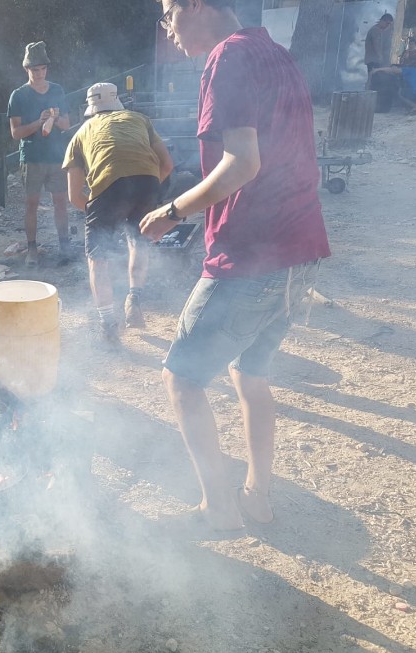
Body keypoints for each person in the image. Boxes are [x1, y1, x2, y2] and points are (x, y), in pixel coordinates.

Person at [141, 0, 331, 530]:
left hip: (252, 255)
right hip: (301, 251)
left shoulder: (227, 57)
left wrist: (173, 210)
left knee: (181, 377)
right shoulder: (274, 53)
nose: (168, 27)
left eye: (167, 12)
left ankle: (217, 509)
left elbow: (244, 161)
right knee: (251, 372)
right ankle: (257, 498)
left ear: (194, 4)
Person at [63, 82, 173, 345]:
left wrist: (99, 214)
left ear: (90, 109)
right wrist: (146, 191)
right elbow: (167, 164)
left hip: (108, 187)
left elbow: (74, 196)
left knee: (97, 259)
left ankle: (108, 324)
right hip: (148, 181)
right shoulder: (140, 119)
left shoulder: (80, 134)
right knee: (138, 241)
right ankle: (134, 299)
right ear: (117, 103)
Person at [7, 41, 72, 267]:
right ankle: (32, 248)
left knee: (61, 202)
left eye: (43, 68)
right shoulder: (19, 95)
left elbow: (67, 123)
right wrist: (39, 122)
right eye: (35, 70)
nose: (40, 73)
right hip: (32, 158)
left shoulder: (57, 90)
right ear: (27, 70)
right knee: (31, 204)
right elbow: (16, 133)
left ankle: (65, 244)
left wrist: (55, 120)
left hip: (56, 157)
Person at [365, 13, 394, 85]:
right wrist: (380, 56)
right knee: (373, 80)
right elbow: (376, 45)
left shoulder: (379, 30)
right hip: (373, 60)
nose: (387, 26)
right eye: (387, 23)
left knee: (374, 80)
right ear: (382, 21)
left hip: (374, 60)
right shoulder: (375, 30)